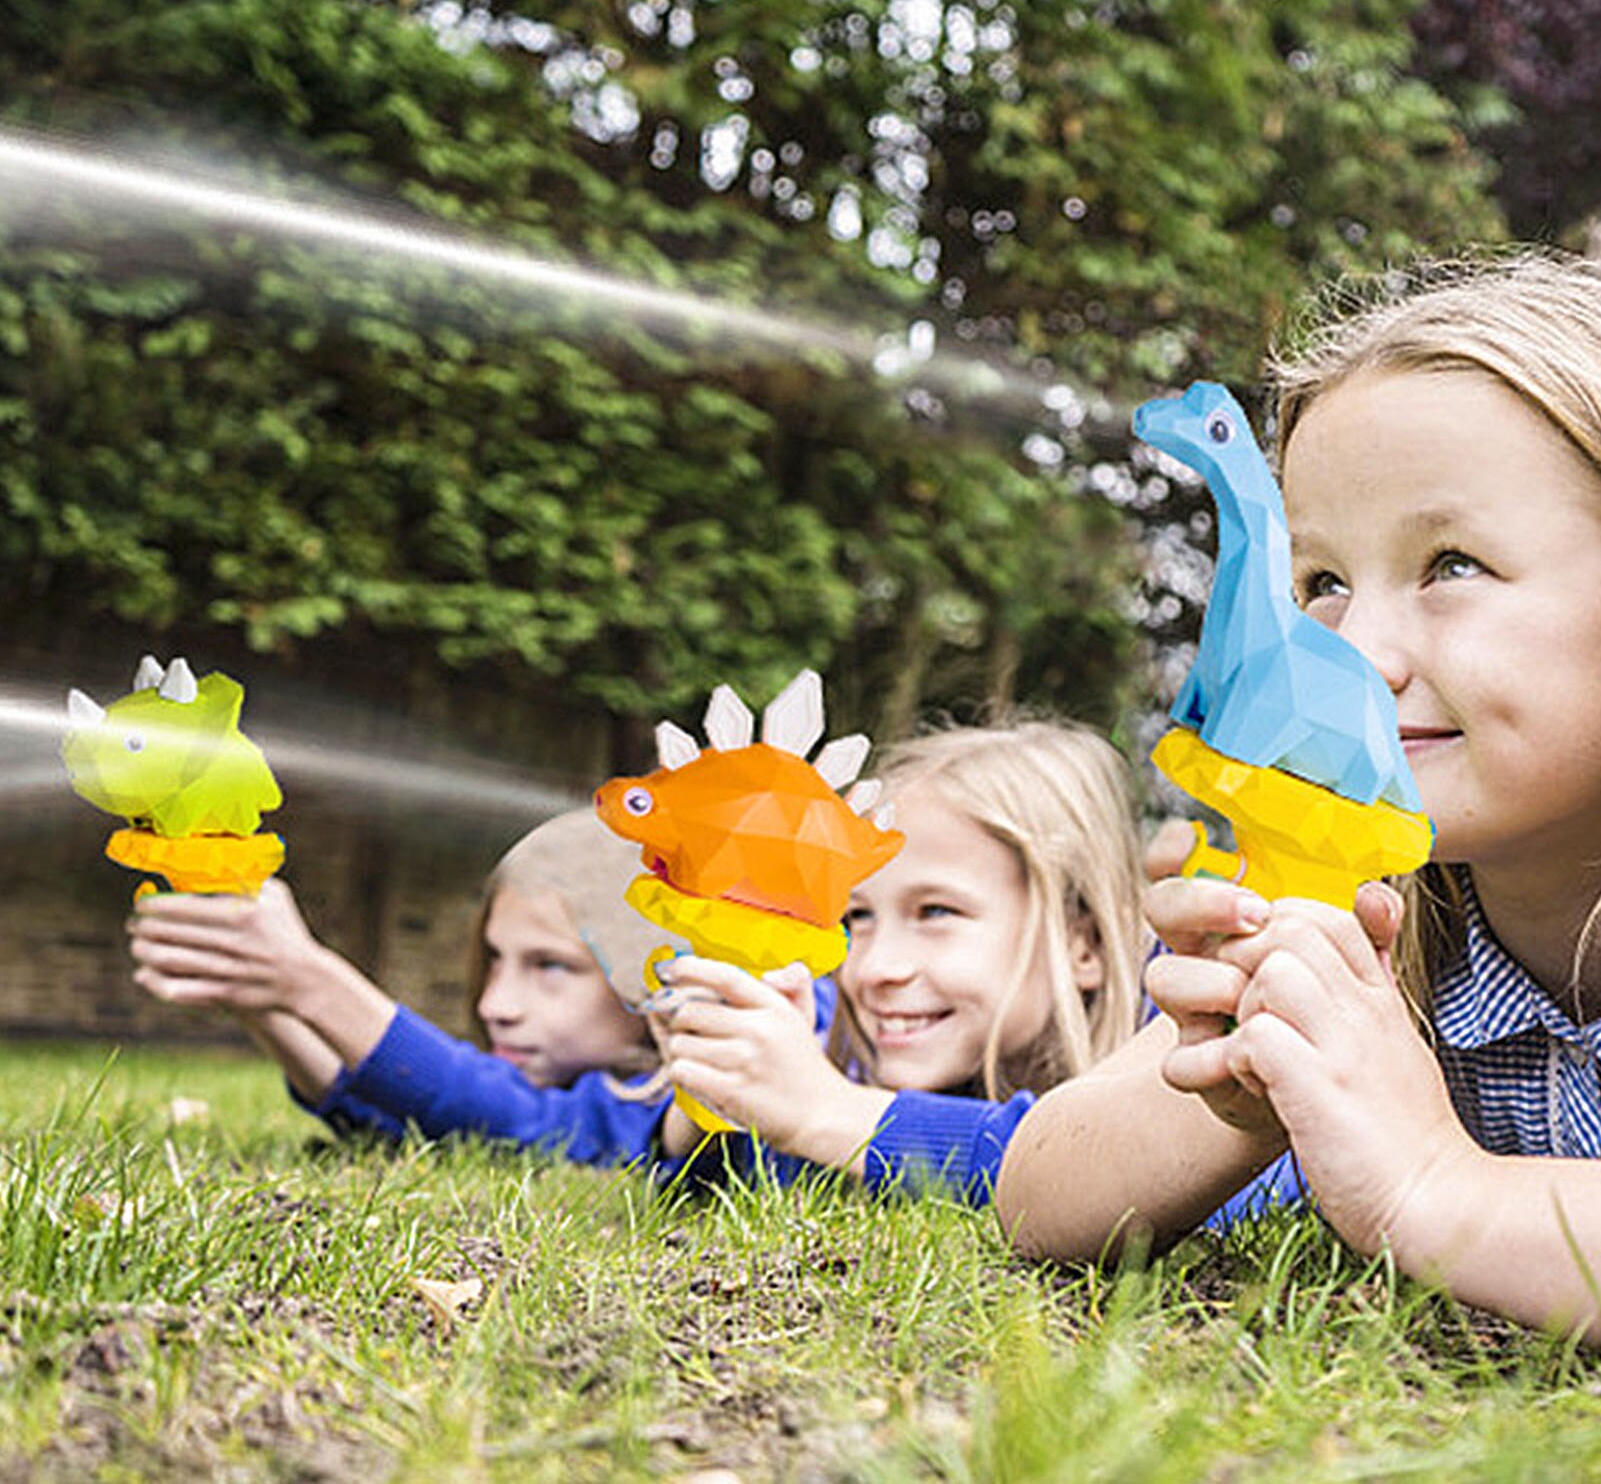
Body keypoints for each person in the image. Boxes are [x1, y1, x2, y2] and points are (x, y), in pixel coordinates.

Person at [995, 252, 1601, 1338]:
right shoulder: (1367, 916)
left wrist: (1434, 1187)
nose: (1354, 650)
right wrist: (1233, 1086)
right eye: (1320, 583)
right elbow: (1037, 1196)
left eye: (1450, 563)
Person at [654, 718, 1150, 1203]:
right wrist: (726, 1093)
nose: (873, 968)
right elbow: (780, 1174)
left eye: (935, 911)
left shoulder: (1183, 1061)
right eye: (858, 915)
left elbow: (1139, 1175)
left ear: (1087, 945)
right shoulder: (861, 1049)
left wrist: (828, 1109)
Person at [127, 808, 746, 1165]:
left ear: (664, 978)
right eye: (495, 960)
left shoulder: (668, 1104)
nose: (494, 1004)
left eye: (550, 966)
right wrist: (263, 1002)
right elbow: (416, 1123)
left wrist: (311, 981)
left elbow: (516, 1121)